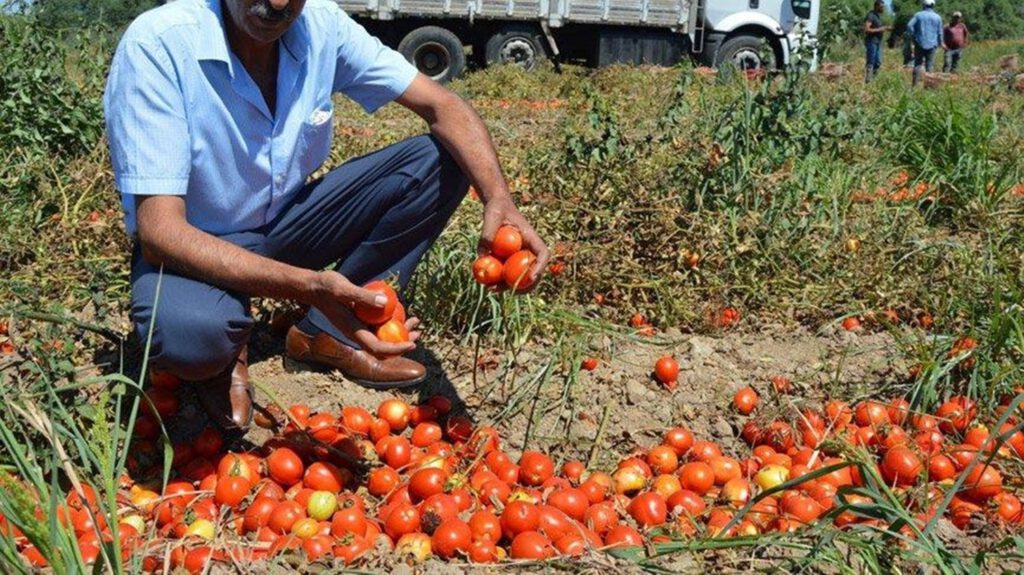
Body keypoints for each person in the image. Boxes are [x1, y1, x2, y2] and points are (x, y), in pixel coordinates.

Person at [103, 0, 550, 431]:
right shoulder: (160, 44)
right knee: (191, 341)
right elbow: (159, 232)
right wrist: (311, 287)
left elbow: (444, 107)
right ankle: (226, 348)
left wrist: (498, 199)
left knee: (443, 160)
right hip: (195, 245)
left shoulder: (321, 26)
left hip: (288, 226)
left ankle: (328, 333)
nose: (277, 3)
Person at [906, 0, 944, 86]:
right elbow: (940, 32)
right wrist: (941, 42)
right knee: (929, 66)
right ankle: (928, 87)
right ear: (933, 6)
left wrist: (913, 35)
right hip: (932, 44)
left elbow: (909, 25)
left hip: (919, 43)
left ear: (924, 5)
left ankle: (914, 85)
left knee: (917, 64)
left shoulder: (918, 15)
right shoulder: (937, 17)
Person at [864, 0, 892, 82]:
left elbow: (879, 28)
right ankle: (868, 80)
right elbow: (866, 29)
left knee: (878, 62)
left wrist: (886, 28)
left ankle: (874, 79)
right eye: (881, 7)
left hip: (877, 42)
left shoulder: (877, 16)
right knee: (871, 61)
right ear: (876, 6)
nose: (883, 8)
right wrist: (881, 29)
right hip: (871, 41)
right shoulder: (870, 15)